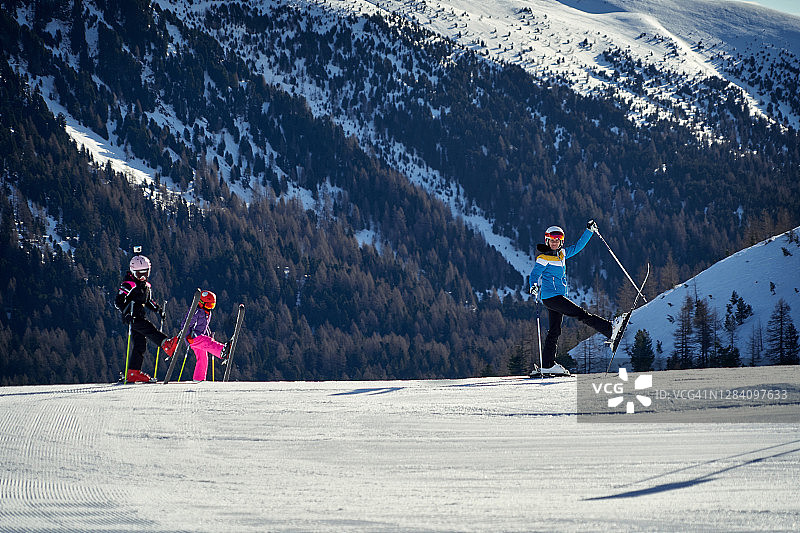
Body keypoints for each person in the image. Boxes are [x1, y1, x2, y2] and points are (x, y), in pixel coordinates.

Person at [528, 221, 624, 375]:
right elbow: (534, 274)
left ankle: (547, 364)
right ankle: (609, 329)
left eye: (557, 241)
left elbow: (579, 247)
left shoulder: (562, 254)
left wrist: (589, 231)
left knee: (554, 330)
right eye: (552, 241)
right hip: (552, 297)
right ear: (547, 241)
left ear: (561, 242)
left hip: (556, 297)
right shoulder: (543, 258)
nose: (554, 243)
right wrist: (533, 285)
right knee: (581, 314)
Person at [115, 254, 175, 383]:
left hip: (139, 314)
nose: (142, 277)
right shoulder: (129, 284)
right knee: (149, 329)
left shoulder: (146, 285)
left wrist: (158, 309)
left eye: (145, 273)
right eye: (139, 274)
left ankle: (133, 372)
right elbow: (118, 301)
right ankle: (166, 344)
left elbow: (148, 301)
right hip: (132, 316)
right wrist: (126, 313)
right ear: (132, 272)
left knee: (140, 345)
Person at [182, 290, 231, 382]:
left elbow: (204, 326)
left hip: (199, 336)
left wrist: (208, 333)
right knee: (208, 342)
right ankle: (222, 351)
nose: (210, 308)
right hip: (193, 337)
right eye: (208, 305)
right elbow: (186, 324)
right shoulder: (196, 312)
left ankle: (198, 378)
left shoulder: (207, 312)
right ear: (200, 303)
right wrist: (187, 336)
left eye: (212, 306)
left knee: (203, 358)